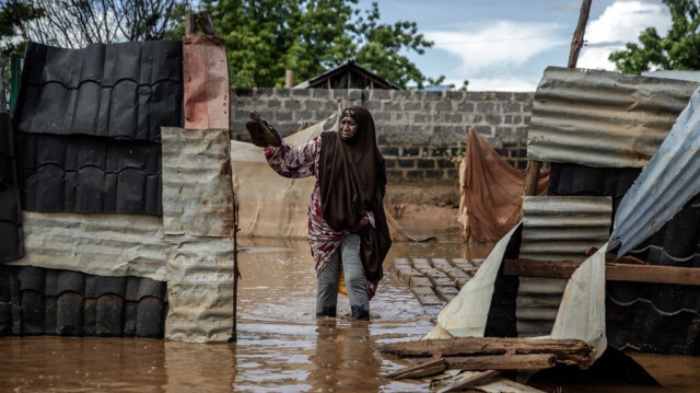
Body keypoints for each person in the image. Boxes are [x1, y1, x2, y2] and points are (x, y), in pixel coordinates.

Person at [246, 106, 392, 320]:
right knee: (327, 280)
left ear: (364, 129)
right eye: (343, 122)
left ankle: (361, 328)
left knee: (354, 278)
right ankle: (325, 331)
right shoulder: (324, 145)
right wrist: (273, 143)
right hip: (323, 226)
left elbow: (376, 199)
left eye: (352, 124)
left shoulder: (374, 160)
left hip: (356, 227)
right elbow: (292, 161)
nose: (346, 127)